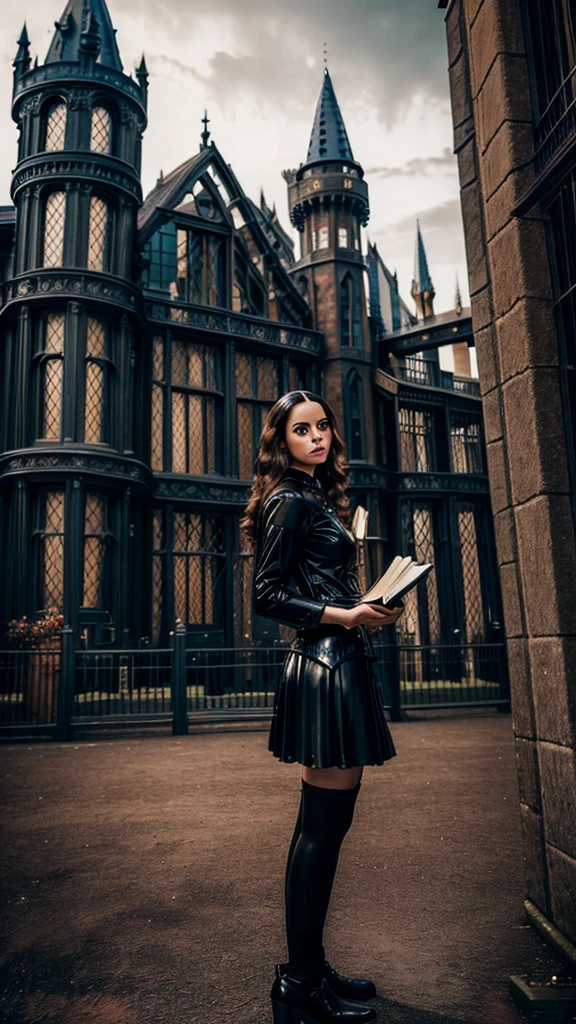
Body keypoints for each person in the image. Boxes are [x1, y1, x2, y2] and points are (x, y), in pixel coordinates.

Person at [240, 390, 404, 1024]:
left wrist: (370, 607)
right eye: (301, 429)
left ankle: (308, 966)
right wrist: (348, 613)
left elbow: (318, 586)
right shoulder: (287, 498)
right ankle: (301, 982)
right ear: (282, 441)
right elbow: (267, 594)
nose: (317, 437)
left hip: (340, 662)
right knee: (320, 829)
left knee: (325, 828)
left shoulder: (315, 498)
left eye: (323, 426)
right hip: (324, 668)